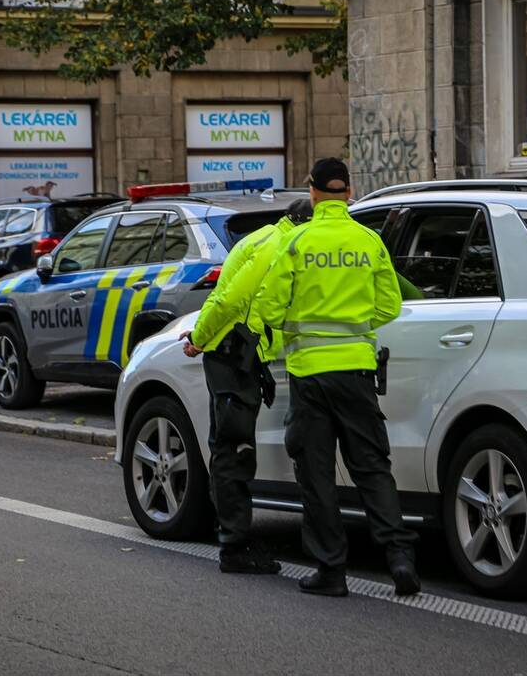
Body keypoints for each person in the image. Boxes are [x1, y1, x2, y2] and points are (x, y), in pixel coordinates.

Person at [249, 157, 421, 597]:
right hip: (358, 371)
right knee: (372, 467)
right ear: (348, 192)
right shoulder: (369, 241)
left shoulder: (299, 242)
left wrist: (296, 326)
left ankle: (331, 571)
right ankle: (399, 558)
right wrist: (356, 325)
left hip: (310, 375)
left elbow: (267, 307)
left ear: (312, 191)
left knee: (317, 474)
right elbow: (391, 305)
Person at [179, 198, 313, 574]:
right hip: (231, 354)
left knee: (229, 447)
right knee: (234, 450)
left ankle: (230, 537)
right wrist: (200, 338)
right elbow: (228, 298)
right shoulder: (276, 247)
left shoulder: (266, 238)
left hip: (236, 355)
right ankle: (234, 547)